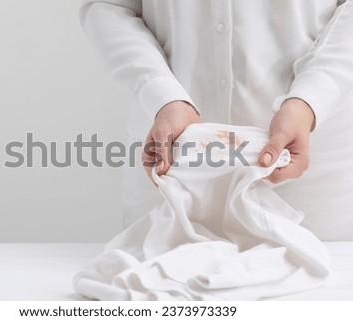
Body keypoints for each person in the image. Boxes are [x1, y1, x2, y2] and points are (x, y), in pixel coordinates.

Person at [80, 0, 353, 240]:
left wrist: (310, 99)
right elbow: (108, 6)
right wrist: (162, 95)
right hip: (174, 157)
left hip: (311, 172)